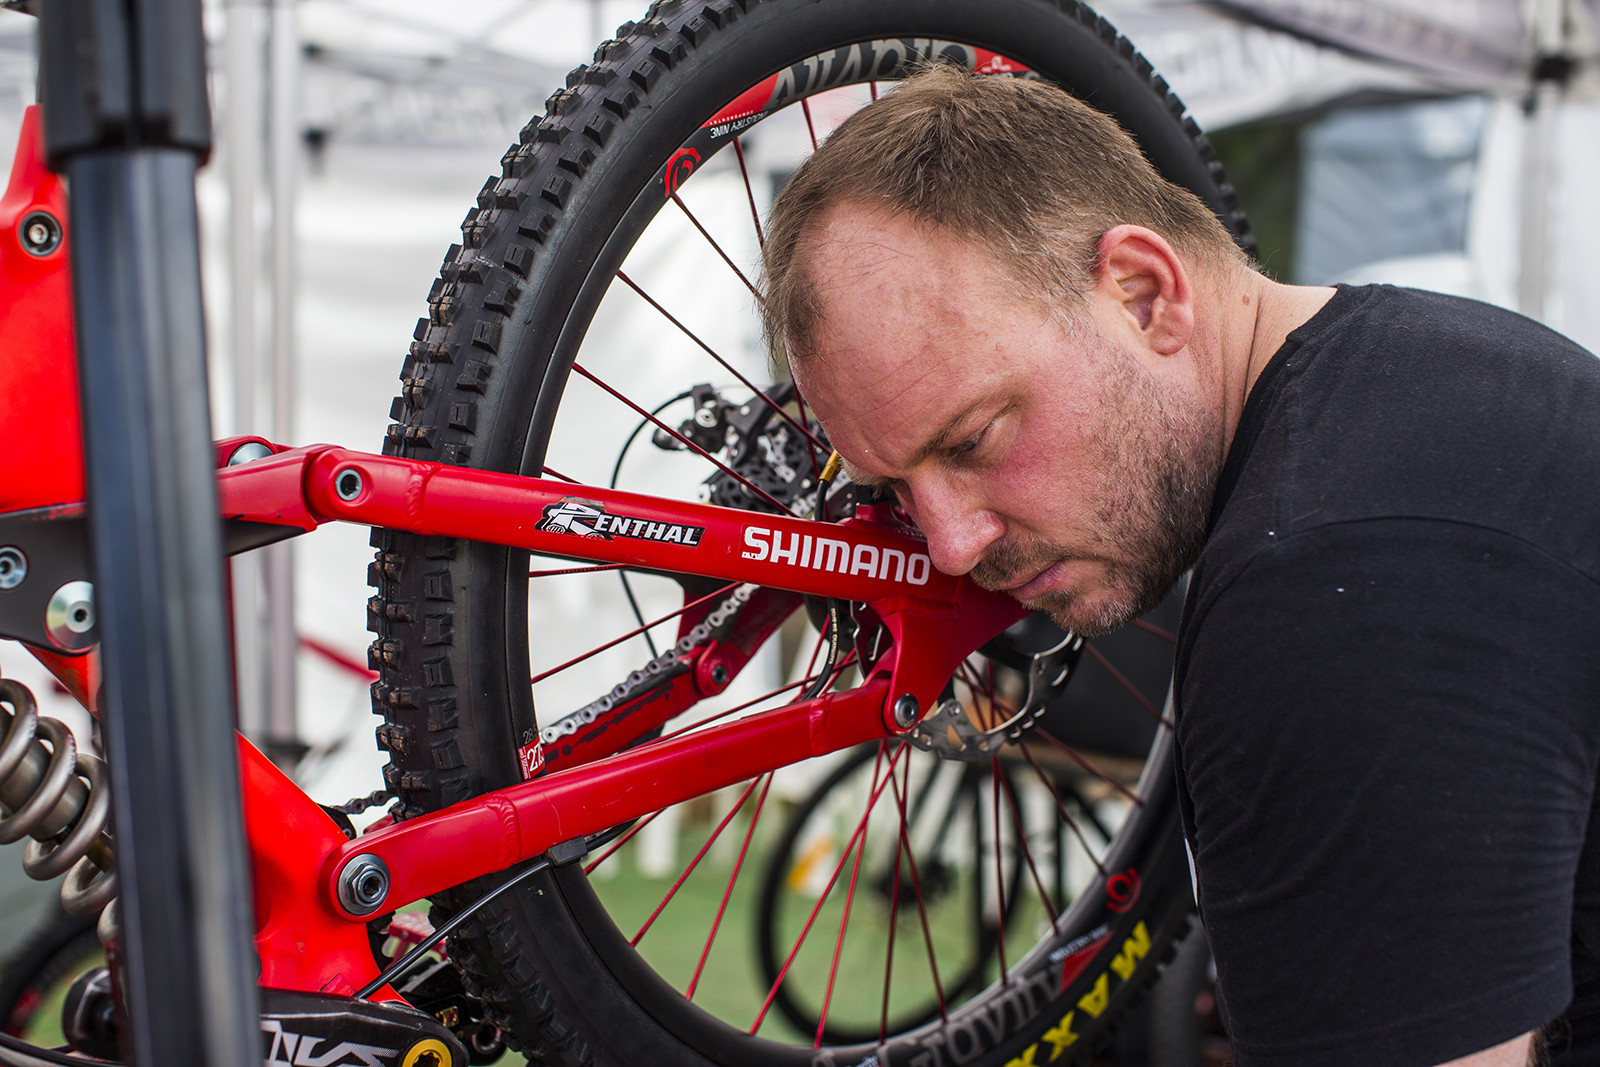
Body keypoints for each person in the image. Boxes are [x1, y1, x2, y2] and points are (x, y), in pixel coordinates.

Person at [758, 66, 1600, 1067]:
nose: (948, 543)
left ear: (1145, 293)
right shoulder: (1416, 369)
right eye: (893, 489)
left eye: (975, 437)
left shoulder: (1330, 577)